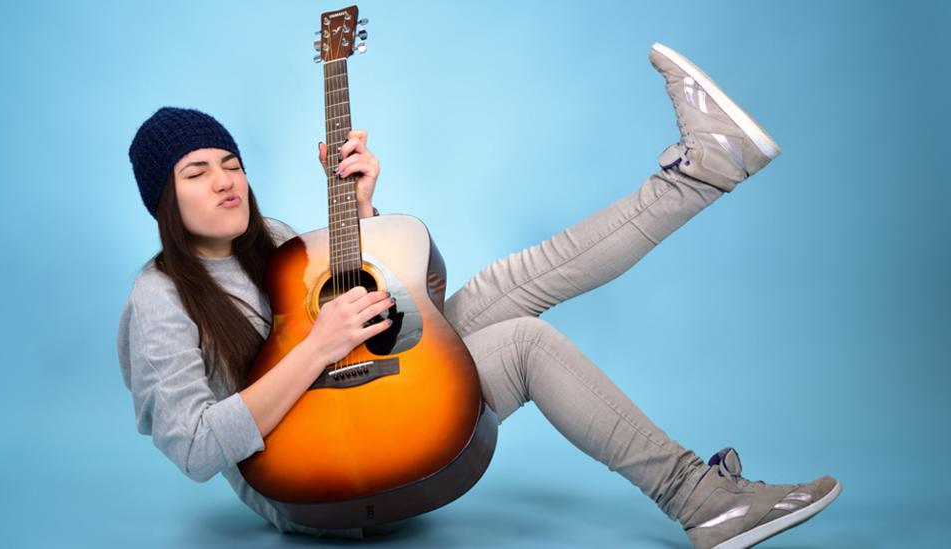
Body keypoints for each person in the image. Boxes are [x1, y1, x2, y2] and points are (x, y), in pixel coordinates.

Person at [118, 43, 841, 548]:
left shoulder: (273, 236)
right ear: (163, 200)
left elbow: (385, 310)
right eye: (196, 172)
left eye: (231, 163)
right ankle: (701, 501)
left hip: (366, 399)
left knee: (504, 283)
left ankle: (702, 170)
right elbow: (194, 447)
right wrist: (318, 346)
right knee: (524, 342)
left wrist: (367, 211)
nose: (225, 181)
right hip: (318, 481)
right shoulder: (156, 302)